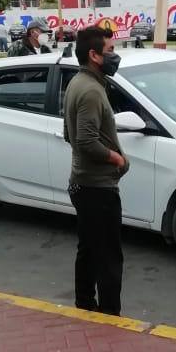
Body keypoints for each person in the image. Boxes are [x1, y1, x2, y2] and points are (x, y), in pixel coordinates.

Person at [63, 26, 129, 315]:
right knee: (109, 258)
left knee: (89, 250)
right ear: (94, 55)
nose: (115, 56)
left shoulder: (79, 83)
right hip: (97, 188)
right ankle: (109, 316)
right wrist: (115, 158)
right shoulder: (90, 91)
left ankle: (85, 306)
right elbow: (84, 140)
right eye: (111, 51)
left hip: (84, 183)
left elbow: (69, 134)